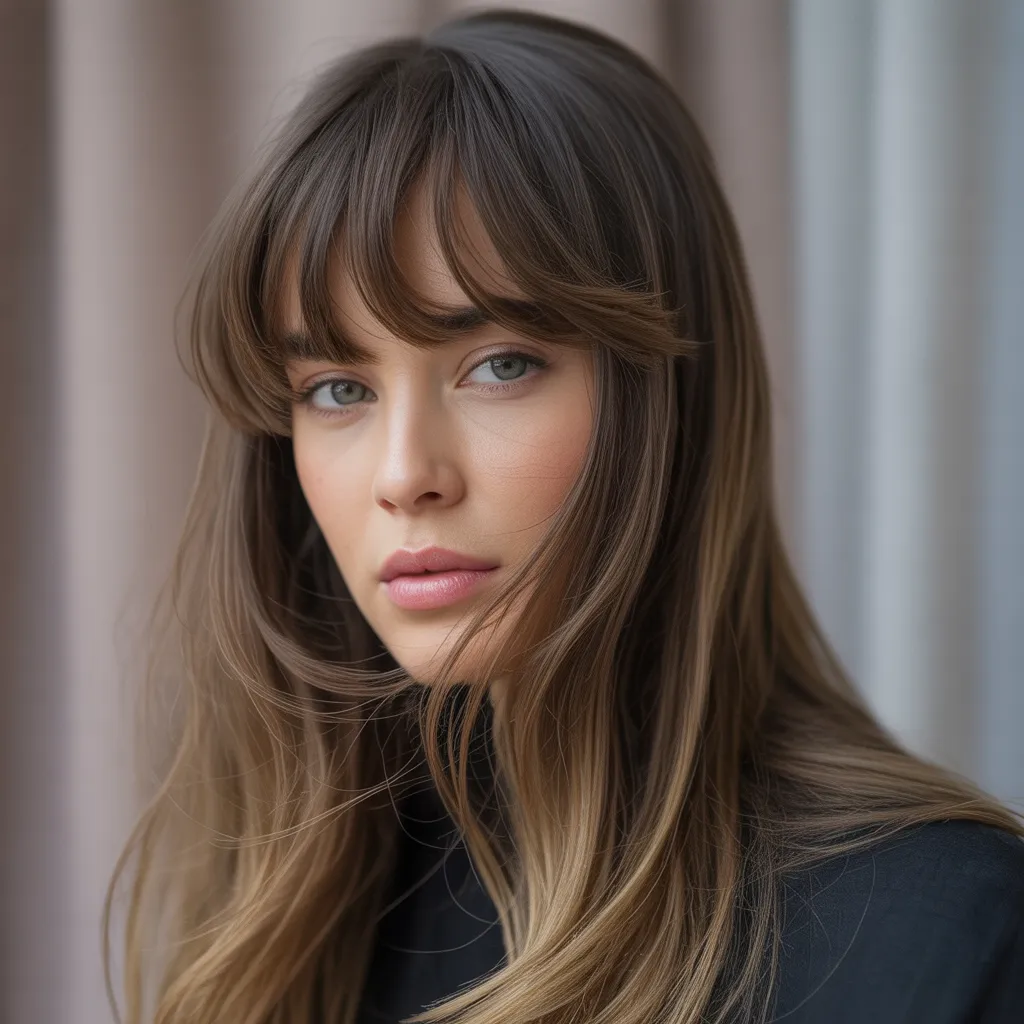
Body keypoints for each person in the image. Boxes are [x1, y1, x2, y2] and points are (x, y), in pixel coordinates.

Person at [104, 9, 1024, 1024]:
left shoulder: (943, 929)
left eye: (500, 365)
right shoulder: (304, 898)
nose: (405, 476)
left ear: (669, 397)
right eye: (337, 389)